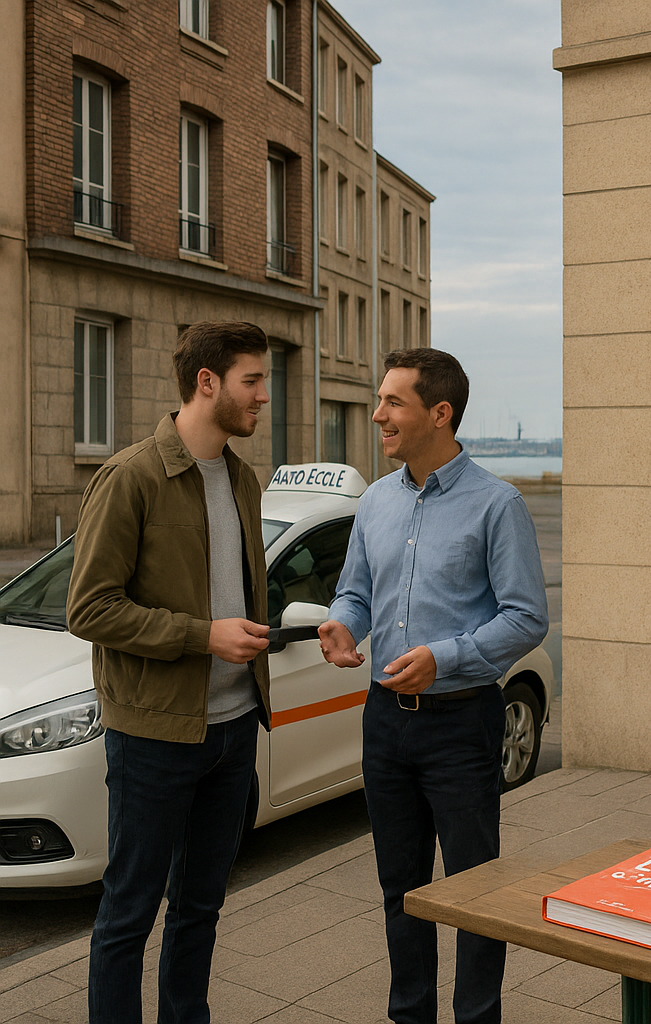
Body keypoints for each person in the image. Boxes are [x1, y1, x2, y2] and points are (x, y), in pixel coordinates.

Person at [318, 348, 548, 1024]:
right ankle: (409, 1016)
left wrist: (444, 658)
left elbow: (527, 616)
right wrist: (341, 625)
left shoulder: (497, 504)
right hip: (383, 720)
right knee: (401, 888)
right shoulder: (375, 501)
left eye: (393, 401)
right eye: (380, 399)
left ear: (439, 413)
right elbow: (356, 591)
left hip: (460, 722)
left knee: (476, 893)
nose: (378, 413)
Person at [67, 321, 274, 1024]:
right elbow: (90, 609)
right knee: (128, 913)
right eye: (253, 381)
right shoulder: (129, 477)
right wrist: (201, 637)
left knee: (200, 908)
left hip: (234, 728)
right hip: (154, 735)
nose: (264, 397)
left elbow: (235, 594)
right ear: (207, 382)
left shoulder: (243, 479)